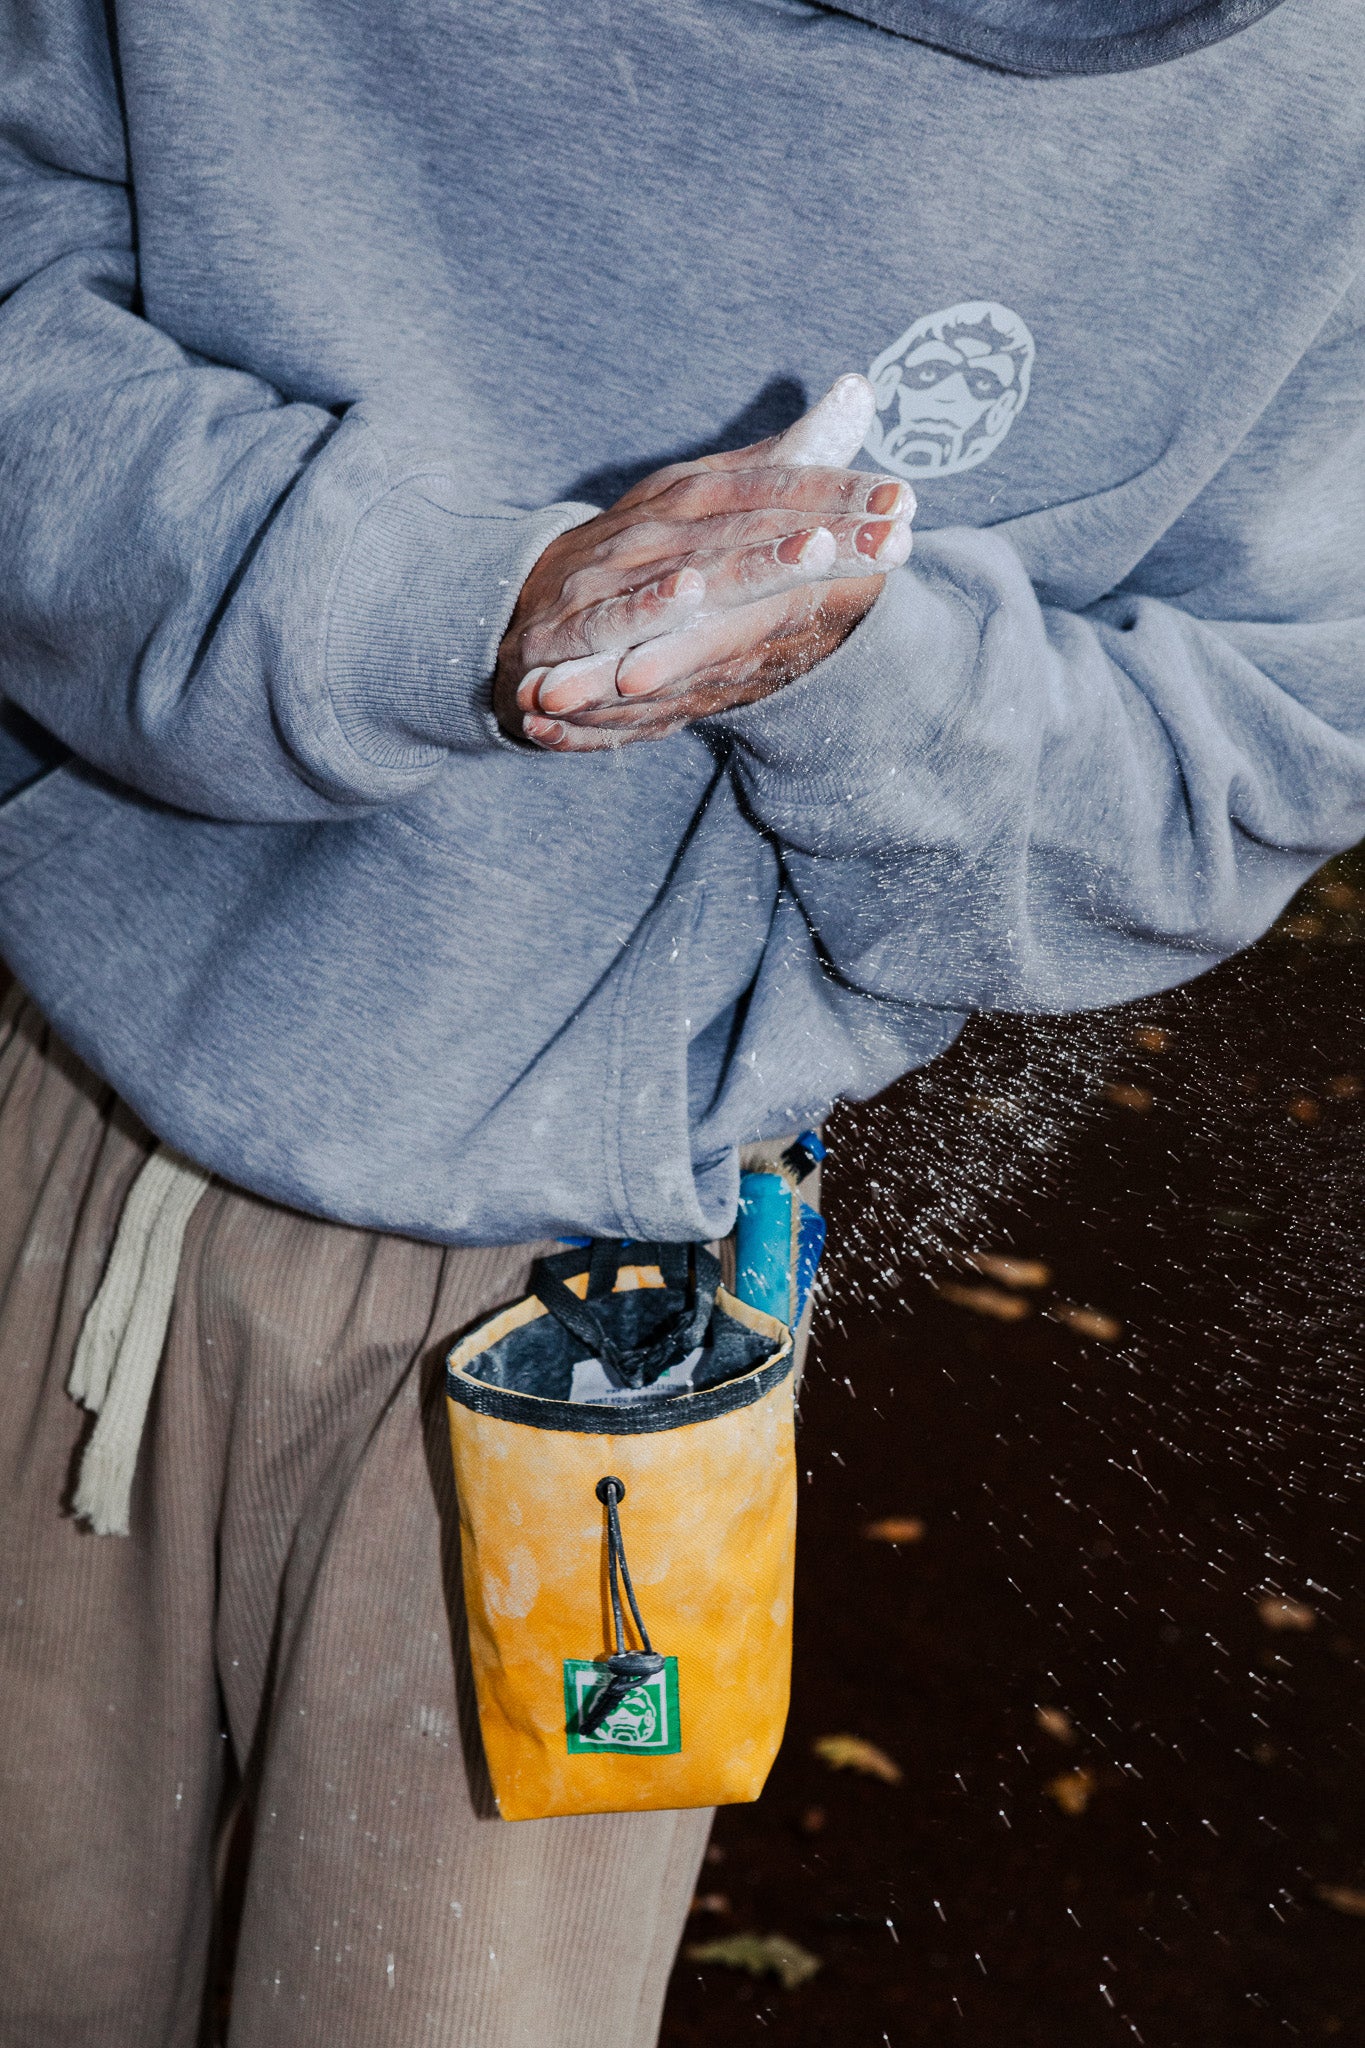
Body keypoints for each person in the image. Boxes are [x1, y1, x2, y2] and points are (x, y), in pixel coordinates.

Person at [1, 0, 1362, 2042]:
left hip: (605, 1338)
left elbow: (1259, 744)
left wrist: (864, 672)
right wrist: (435, 597)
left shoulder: (1317, 95)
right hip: (61, 1128)